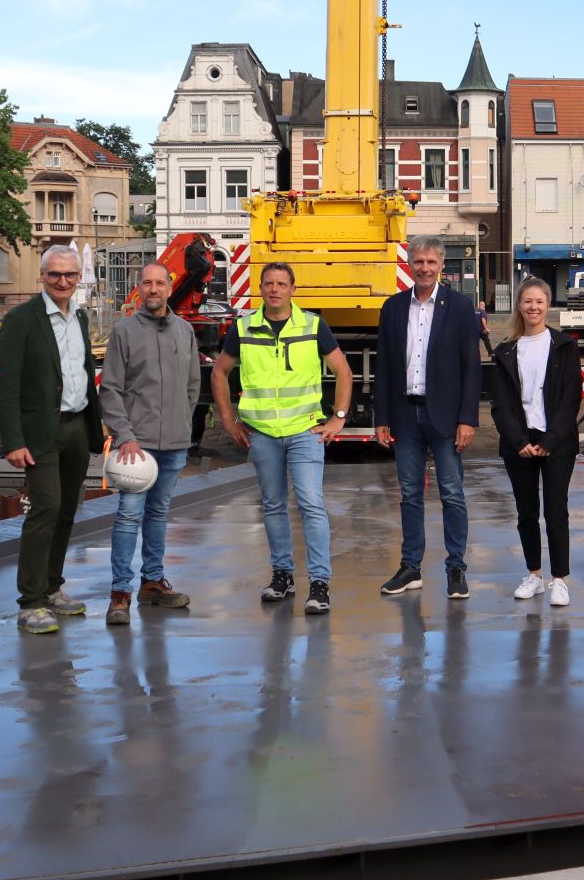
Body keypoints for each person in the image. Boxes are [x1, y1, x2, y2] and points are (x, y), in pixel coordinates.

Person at [212, 261, 352, 615]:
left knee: (310, 504)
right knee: (273, 505)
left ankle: (319, 583)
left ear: (292, 289)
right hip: (262, 435)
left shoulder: (312, 325)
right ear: (261, 288)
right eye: (269, 283)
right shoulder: (244, 328)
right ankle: (282, 577)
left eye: (281, 284)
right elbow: (219, 371)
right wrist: (227, 418)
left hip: (305, 432)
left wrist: (337, 418)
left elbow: (343, 370)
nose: (274, 289)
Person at [0, 245, 104, 635]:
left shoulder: (79, 317)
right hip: (41, 431)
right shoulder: (21, 320)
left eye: (70, 275)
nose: (62, 282)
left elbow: (81, 371)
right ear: (41, 276)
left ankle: (53, 587)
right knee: (46, 507)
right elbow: (6, 386)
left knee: (66, 511)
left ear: (79, 279)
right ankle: (30, 602)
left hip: (76, 426)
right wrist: (12, 440)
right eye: (55, 275)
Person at [375, 236, 482, 601]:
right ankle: (410, 568)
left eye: (431, 262)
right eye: (418, 262)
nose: (424, 268)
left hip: (447, 418)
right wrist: (381, 417)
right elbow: (384, 367)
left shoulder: (461, 307)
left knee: (452, 494)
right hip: (405, 414)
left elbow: (471, 368)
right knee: (409, 494)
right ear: (409, 264)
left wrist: (468, 420)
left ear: (441, 265)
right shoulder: (392, 309)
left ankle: (455, 568)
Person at [98, 260, 201, 626]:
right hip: (135, 447)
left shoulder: (185, 331)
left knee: (158, 515)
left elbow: (192, 387)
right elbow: (110, 390)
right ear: (139, 289)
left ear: (170, 288)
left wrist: (182, 427)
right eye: (147, 283)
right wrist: (124, 436)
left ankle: (153, 582)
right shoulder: (124, 332)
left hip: (174, 443)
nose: (153, 289)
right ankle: (120, 592)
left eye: (160, 283)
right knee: (128, 516)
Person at [489, 275, 581, 606]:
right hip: (520, 443)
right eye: (527, 301)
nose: (533, 306)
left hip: (556, 442)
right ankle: (534, 575)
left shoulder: (564, 346)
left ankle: (559, 579)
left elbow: (572, 398)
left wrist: (551, 440)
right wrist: (518, 440)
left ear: (548, 305)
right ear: (519, 305)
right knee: (526, 511)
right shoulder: (505, 351)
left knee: (556, 510)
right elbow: (499, 404)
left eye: (539, 301)